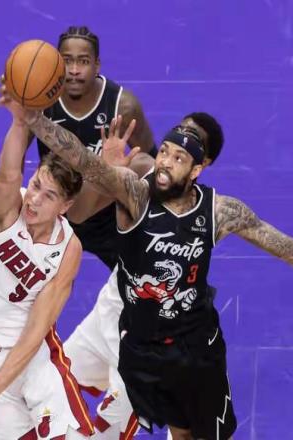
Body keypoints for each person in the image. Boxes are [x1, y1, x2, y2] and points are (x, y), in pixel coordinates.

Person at [24, 108, 293, 440]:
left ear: (197, 169)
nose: (164, 163)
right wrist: (32, 118)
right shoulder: (134, 194)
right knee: (178, 431)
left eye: (178, 158)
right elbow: (81, 158)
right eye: (164, 152)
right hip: (141, 348)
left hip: (195, 349)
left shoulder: (220, 212)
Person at [63, 112, 225, 439]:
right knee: (48, 384)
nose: (181, 138)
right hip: (110, 310)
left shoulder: (210, 214)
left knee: (106, 432)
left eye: (192, 140)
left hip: (150, 342)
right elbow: (77, 214)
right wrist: (105, 171)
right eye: (179, 130)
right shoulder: (141, 170)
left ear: (201, 164)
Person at [0, 94, 94, 440]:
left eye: (49, 196)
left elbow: (37, 328)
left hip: (32, 356)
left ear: (65, 206)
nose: (34, 199)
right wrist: (19, 122)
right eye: (37, 185)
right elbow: (8, 174)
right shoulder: (3, 210)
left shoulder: (68, 248)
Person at [37, 25, 155, 270]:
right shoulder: (40, 100)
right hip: (55, 212)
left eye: (83, 61)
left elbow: (153, 163)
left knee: (145, 278)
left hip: (106, 214)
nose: (74, 70)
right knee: (32, 285)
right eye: (67, 61)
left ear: (97, 65)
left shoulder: (123, 106)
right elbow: (15, 163)